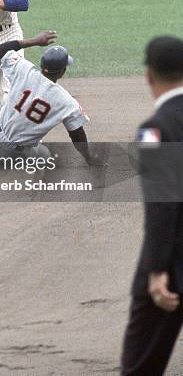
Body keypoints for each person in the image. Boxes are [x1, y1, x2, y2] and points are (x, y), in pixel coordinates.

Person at [121, 35, 183, 376]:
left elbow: (162, 203)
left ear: (148, 76)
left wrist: (157, 270)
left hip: (172, 267)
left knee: (141, 366)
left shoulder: (154, 130)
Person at [0, 30, 98, 164]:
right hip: (15, 152)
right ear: (61, 72)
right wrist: (89, 158)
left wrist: (36, 41)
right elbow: (77, 135)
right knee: (45, 156)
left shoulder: (23, 69)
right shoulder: (66, 101)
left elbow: (2, 49)